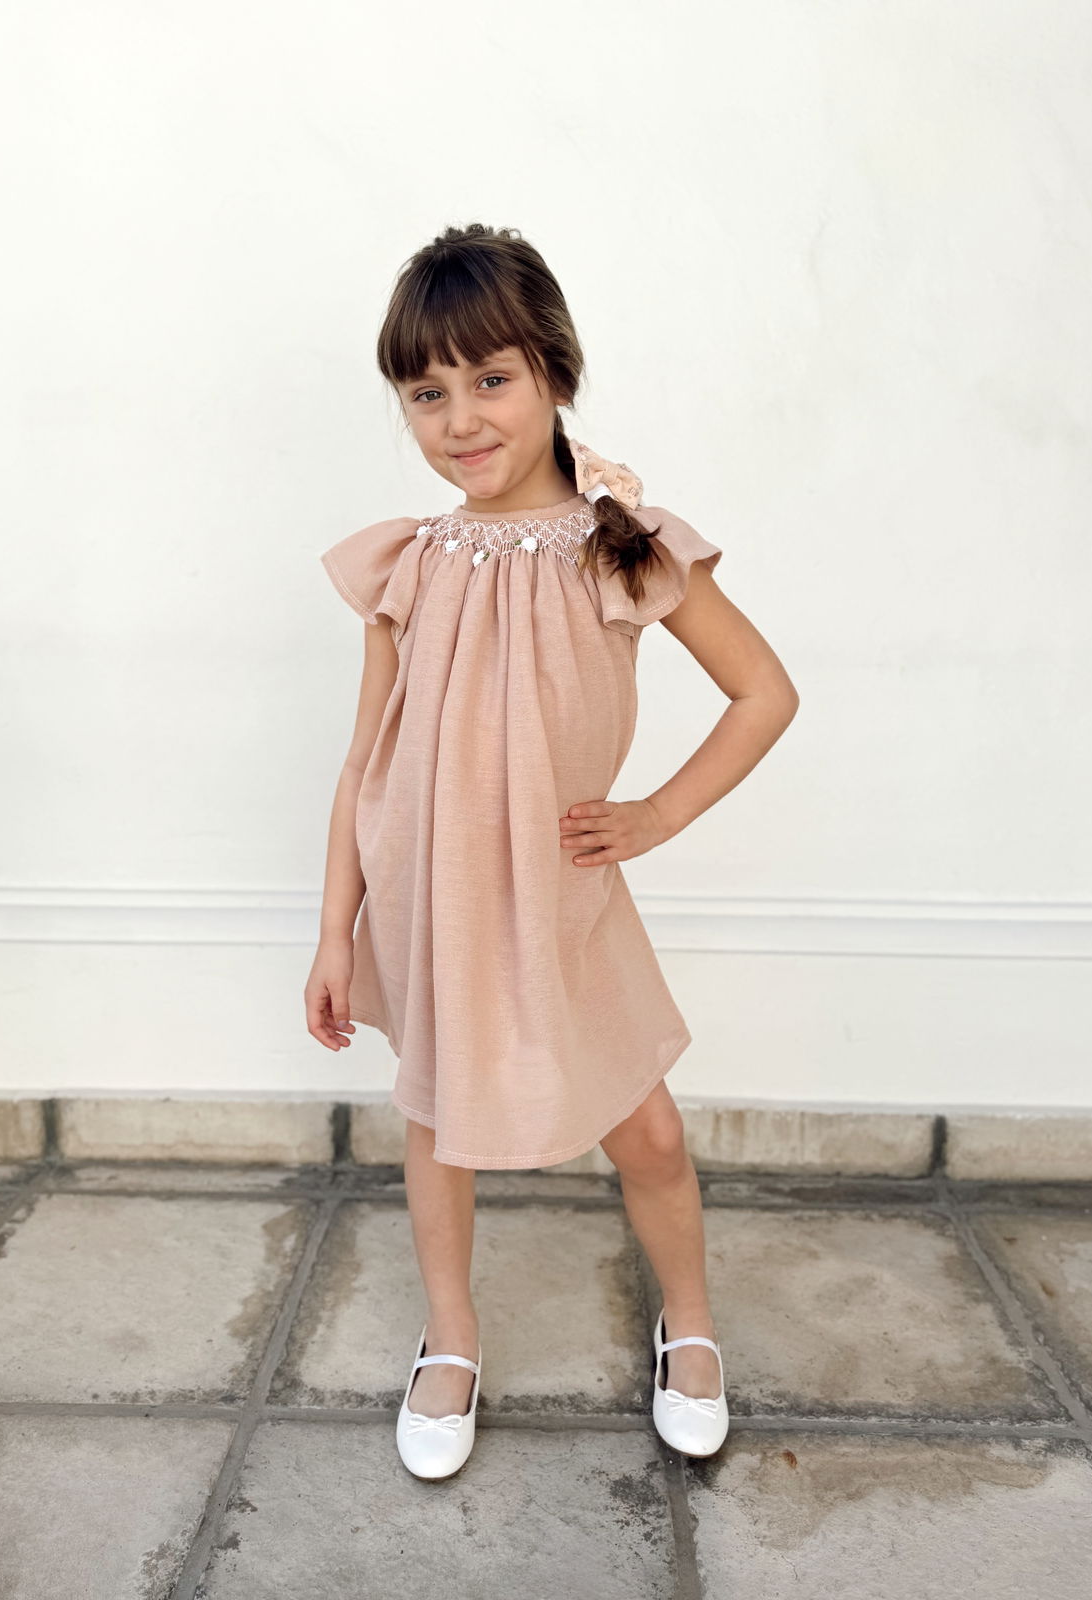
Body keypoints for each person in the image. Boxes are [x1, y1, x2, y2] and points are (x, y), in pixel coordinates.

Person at [306, 223, 799, 1479]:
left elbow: (764, 693)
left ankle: (689, 1321)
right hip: (431, 900)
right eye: (427, 393)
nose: (460, 418)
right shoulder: (408, 564)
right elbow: (364, 764)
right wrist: (333, 932)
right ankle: (452, 1335)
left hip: (562, 902)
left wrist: (657, 815)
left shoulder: (620, 547)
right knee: (438, 1124)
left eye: (490, 379)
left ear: (555, 373)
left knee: (648, 1132)